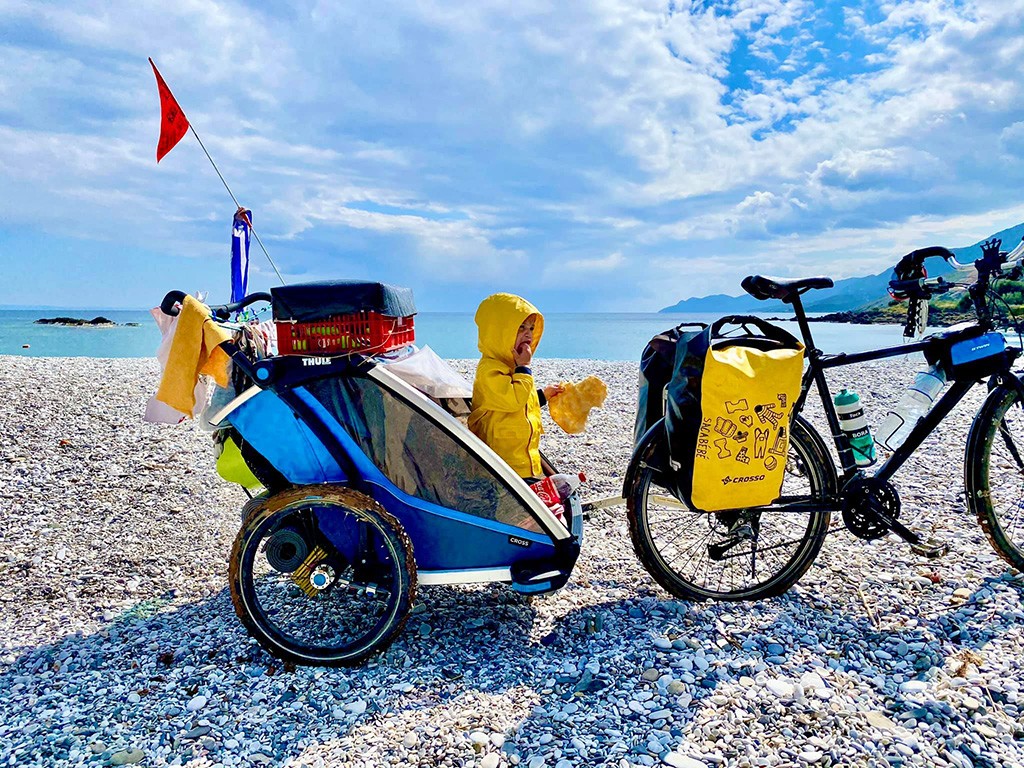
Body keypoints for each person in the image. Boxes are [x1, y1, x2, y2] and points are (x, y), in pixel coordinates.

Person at [468, 293, 565, 480]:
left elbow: (522, 400)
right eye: (520, 328)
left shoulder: (514, 366)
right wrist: (524, 368)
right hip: (502, 462)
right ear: (499, 331)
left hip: (523, 460)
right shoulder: (490, 370)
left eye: (531, 328)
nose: (528, 334)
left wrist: (543, 395)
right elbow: (512, 401)